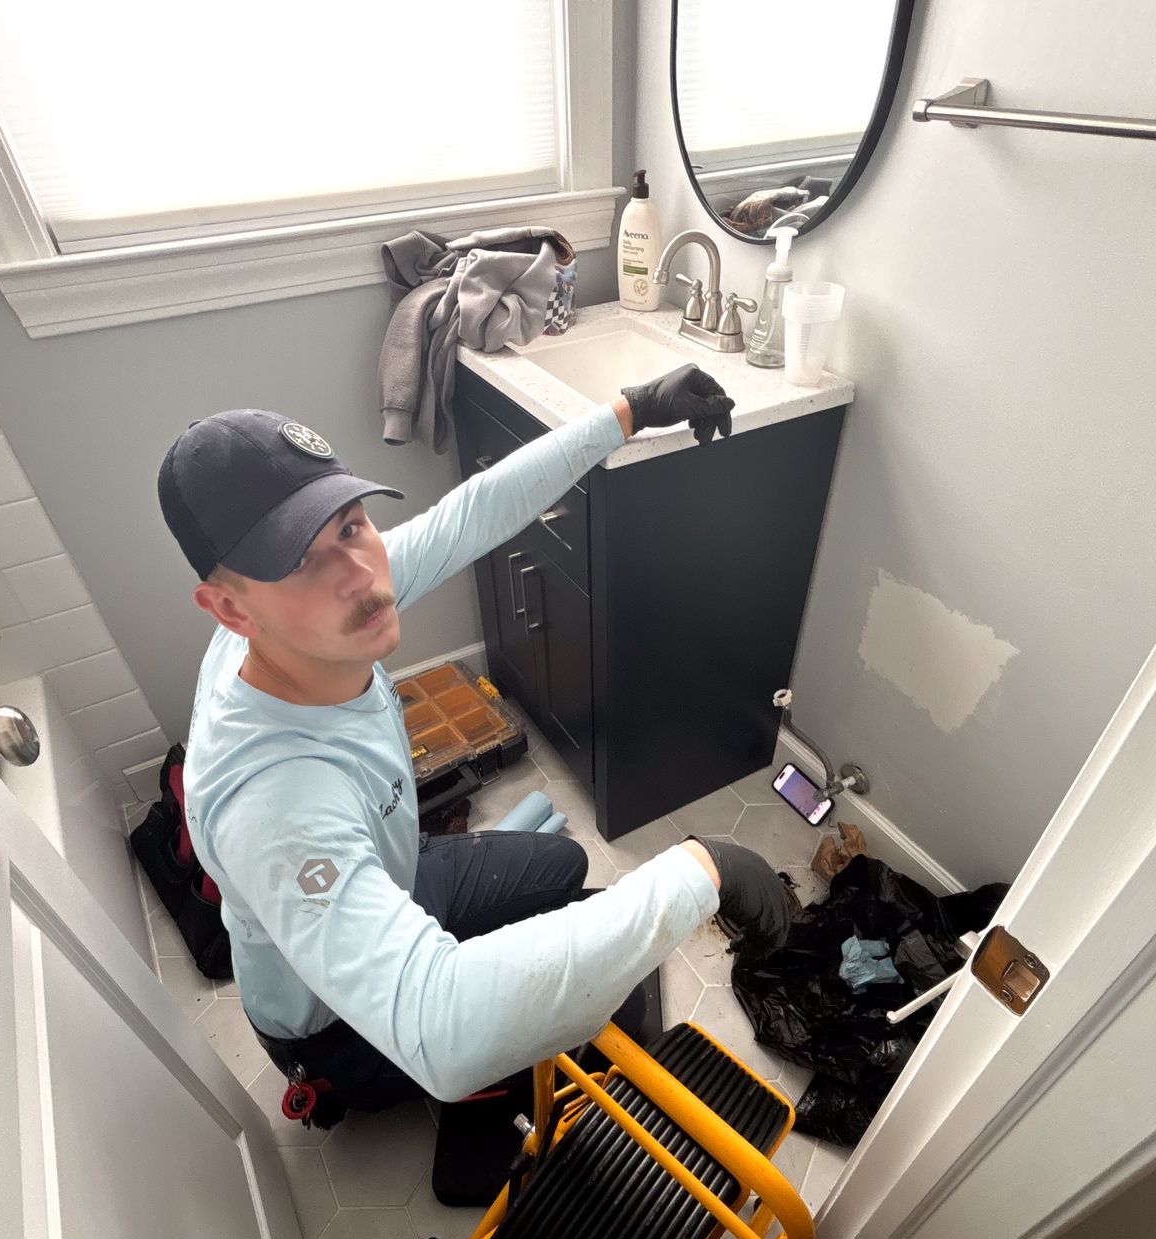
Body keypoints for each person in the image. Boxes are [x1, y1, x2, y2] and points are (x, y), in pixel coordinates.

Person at [158, 364, 793, 1117]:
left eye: (351, 524)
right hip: (331, 1028)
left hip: (400, 875)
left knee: (563, 862)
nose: (360, 574)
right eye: (300, 560)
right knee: (550, 1030)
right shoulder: (275, 807)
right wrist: (703, 871)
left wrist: (628, 411)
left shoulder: (298, 623)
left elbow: (473, 514)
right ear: (228, 608)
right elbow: (444, 1033)